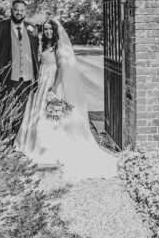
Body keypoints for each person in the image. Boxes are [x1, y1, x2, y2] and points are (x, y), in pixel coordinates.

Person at [15, 19, 117, 181]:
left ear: (55, 31)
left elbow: (62, 70)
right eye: (46, 29)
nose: (48, 32)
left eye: (50, 29)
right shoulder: (44, 45)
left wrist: (54, 89)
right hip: (41, 83)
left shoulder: (58, 48)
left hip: (52, 84)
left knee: (50, 117)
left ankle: (49, 147)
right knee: (37, 113)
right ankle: (34, 144)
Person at [0, 0, 39, 140]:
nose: (19, 12)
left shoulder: (32, 29)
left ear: (25, 12)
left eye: (22, 10)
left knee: (21, 111)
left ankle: (15, 140)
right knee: (2, 107)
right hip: (6, 78)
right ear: (11, 10)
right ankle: (1, 138)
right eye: (16, 9)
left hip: (26, 79)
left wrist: (36, 76)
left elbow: (35, 53)